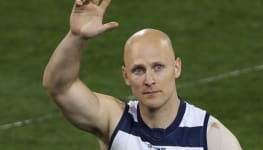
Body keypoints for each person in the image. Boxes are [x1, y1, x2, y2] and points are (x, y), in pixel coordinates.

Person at [43, 0, 242, 149]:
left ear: (177, 68)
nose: (149, 80)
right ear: (126, 75)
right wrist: (76, 37)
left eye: (158, 67)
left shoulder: (212, 137)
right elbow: (60, 87)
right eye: (139, 70)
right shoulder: (114, 120)